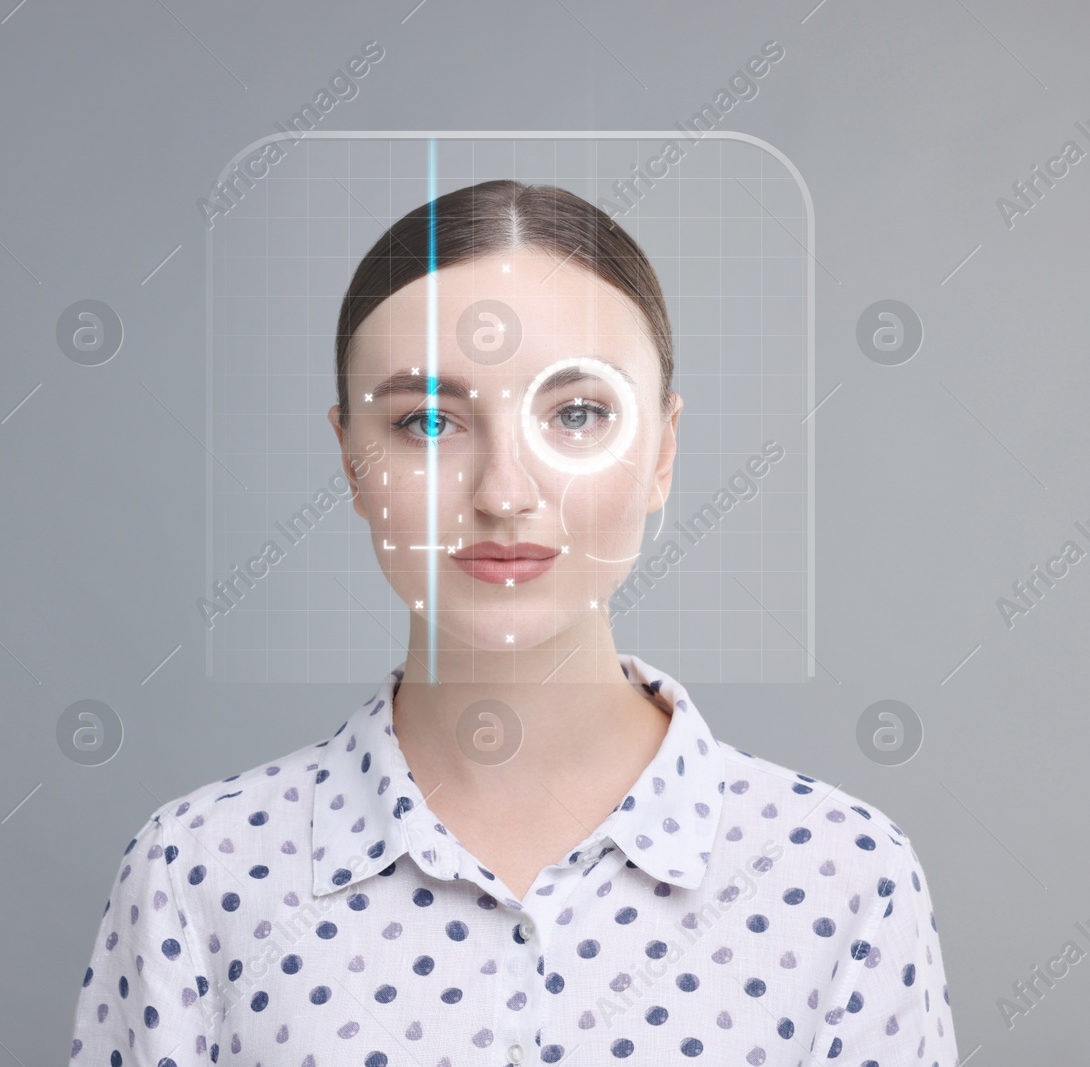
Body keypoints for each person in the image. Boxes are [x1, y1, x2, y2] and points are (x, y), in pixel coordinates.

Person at [68, 179, 957, 1065]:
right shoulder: (197, 870)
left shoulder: (843, 876)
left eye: (577, 415)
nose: (503, 492)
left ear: (663, 453)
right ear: (349, 458)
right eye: (427, 421)